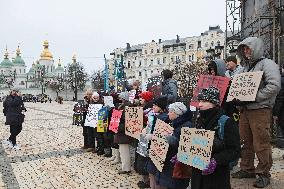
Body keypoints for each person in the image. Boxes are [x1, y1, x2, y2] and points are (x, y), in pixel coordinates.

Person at [231, 37, 281, 188]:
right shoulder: (245, 67)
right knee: (246, 141)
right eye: (244, 49)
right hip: (246, 110)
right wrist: (237, 98)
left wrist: (254, 97)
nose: (246, 51)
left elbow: (274, 85)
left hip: (260, 110)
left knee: (261, 142)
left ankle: (264, 173)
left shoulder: (268, 64)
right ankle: (247, 168)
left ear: (256, 48)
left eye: (248, 48)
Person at [191, 86, 240, 189]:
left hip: (217, 177)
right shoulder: (198, 120)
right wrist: (182, 155)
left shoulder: (226, 122)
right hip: (197, 177)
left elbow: (235, 150)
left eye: (204, 101)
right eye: (199, 100)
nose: (200, 104)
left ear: (214, 102)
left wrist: (216, 160)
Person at [155, 102, 192, 189]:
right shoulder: (174, 123)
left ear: (177, 113)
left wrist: (171, 140)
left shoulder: (187, 126)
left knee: (175, 185)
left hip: (177, 165)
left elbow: (187, 147)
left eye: (170, 111)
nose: (168, 113)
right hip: (169, 162)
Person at [145, 96, 169, 189]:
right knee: (152, 172)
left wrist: (152, 135)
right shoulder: (155, 116)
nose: (153, 107)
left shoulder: (163, 118)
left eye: (155, 105)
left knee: (154, 173)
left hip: (157, 148)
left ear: (161, 107)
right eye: (153, 105)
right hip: (153, 147)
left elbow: (161, 135)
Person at [135, 91, 154, 188]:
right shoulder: (143, 108)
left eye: (142, 98)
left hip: (146, 137)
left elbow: (149, 123)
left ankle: (147, 180)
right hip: (142, 135)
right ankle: (144, 179)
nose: (140, 100)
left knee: (145, 157)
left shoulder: (150, 111)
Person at [113, 92, 133, 174]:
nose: (120, 99)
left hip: (123, 132)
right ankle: (124, 166)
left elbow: (128, 122)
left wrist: (119, 126)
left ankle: (126, 168)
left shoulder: (127, 107)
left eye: (121, 98)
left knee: (124, 150)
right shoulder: (122, 106)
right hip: (121, 131)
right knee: (122, 150)